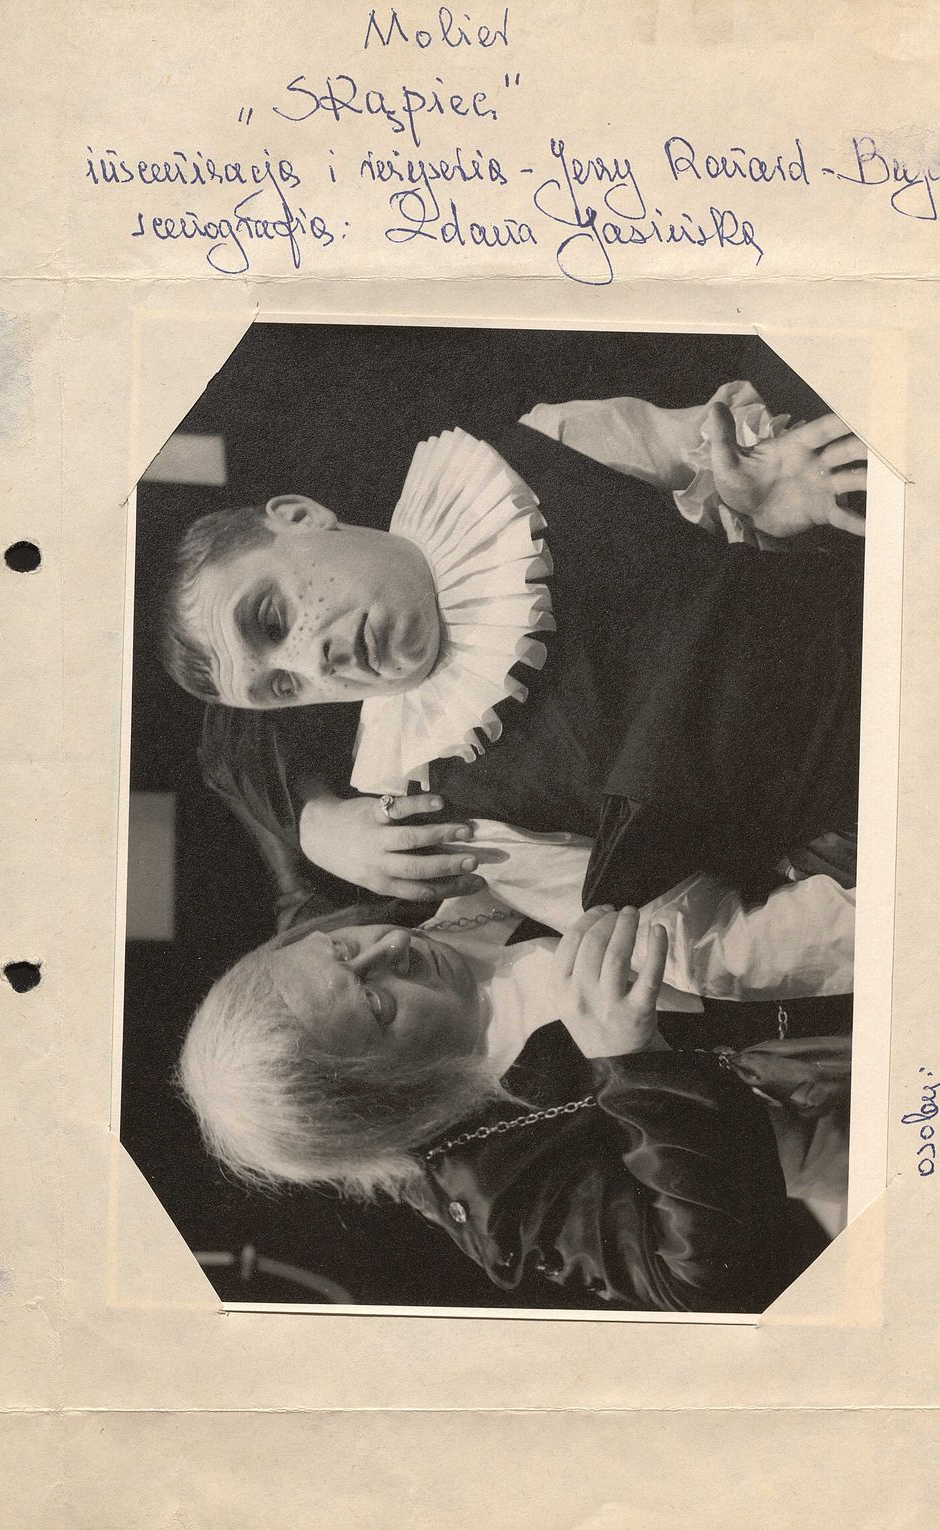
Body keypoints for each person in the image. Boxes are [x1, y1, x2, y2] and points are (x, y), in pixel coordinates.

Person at [162, 384, 868, 915]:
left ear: (300, 516)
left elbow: (741, 465)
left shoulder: (547, 445)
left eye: (271, 619)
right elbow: (678, 930)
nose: (312, 664)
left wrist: (759, 504)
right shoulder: (449, 813)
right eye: (284, 688)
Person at [179, 899, 848, 1313]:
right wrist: (635, 1062)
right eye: (378, 1005)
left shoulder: (396, 909)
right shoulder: (493, 1189)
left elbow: (240, 756)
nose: (395, 948)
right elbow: (703, 1284)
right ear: (389, 1098)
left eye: (343, 946)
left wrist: (326, 821)